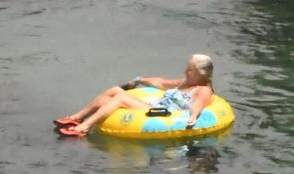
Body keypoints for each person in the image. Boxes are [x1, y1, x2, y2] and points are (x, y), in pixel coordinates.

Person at [54, 54, 215, 138]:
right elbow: (161, 82)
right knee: (114, 90)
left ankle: (83, 128)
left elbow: (199, 104)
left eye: (190, 70)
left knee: (120, 98)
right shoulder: (185, 82)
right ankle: (77, 117)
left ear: (200, 74)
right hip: (155, 106)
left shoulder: (202, 89)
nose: (185, 71)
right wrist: (139, 80)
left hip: (162, 114)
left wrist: (193, 117)